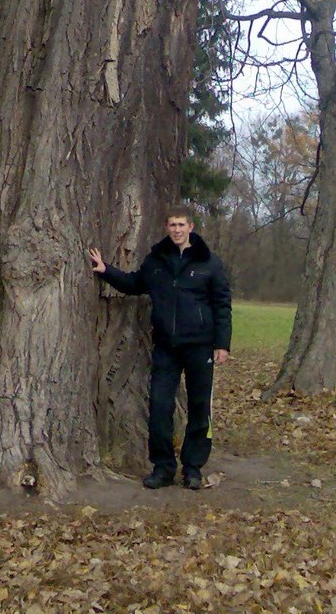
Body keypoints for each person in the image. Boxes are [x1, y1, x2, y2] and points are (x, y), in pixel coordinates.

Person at [89, 206, 231, 490]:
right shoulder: (156, 261)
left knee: (200, 407)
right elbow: (134, 284)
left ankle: (192, 468)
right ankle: (163, 467)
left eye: (181, 224)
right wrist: (106, 271)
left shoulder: (209, 263)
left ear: (190, 226)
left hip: (200, 347)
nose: (177, 230)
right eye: (172, 225)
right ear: (166, 228)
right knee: (159, 406)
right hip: (166, 346)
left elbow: (222, 304)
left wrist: (222, 344)